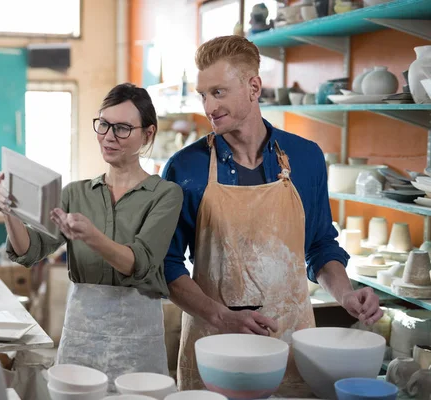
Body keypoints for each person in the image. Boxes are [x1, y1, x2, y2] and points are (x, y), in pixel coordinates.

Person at [161, 35, 383, 394]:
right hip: (217, 347)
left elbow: (321, 246)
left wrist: (346, 294)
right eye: (202, 94)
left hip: (292, 343)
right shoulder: (185, 167)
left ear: (254, 87)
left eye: (218, 92)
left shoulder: (306, 158)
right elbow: (167, 265)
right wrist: (220, 317)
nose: (208, 106)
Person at [0, 83, 183, 391]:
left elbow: (141, 263)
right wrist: (8, 211)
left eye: (122, 128)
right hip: (82, 332)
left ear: (148, 134)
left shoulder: (165, 194)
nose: (108, 136)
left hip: (138, 334)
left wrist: (93, 237)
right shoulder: (75, 193)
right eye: (104, 124)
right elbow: (30, 251)